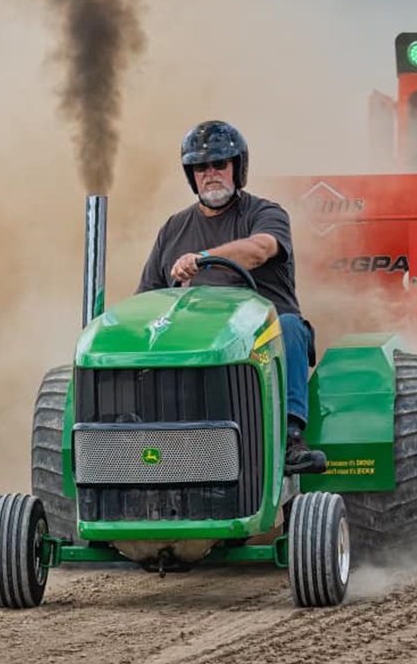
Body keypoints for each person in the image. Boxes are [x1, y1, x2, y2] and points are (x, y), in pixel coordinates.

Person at [137, 119, 327, 476]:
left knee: (289, 326)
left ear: (237, 168)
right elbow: (146, 299)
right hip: (194, 344)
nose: (210, 174)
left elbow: (260, 249)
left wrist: (204, 258)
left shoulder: (265, 214)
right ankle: (142, 442)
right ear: (190, 175)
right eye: (200, 167)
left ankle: (289, 438)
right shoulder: (173, 229)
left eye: (219, 164)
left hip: (260, 341)